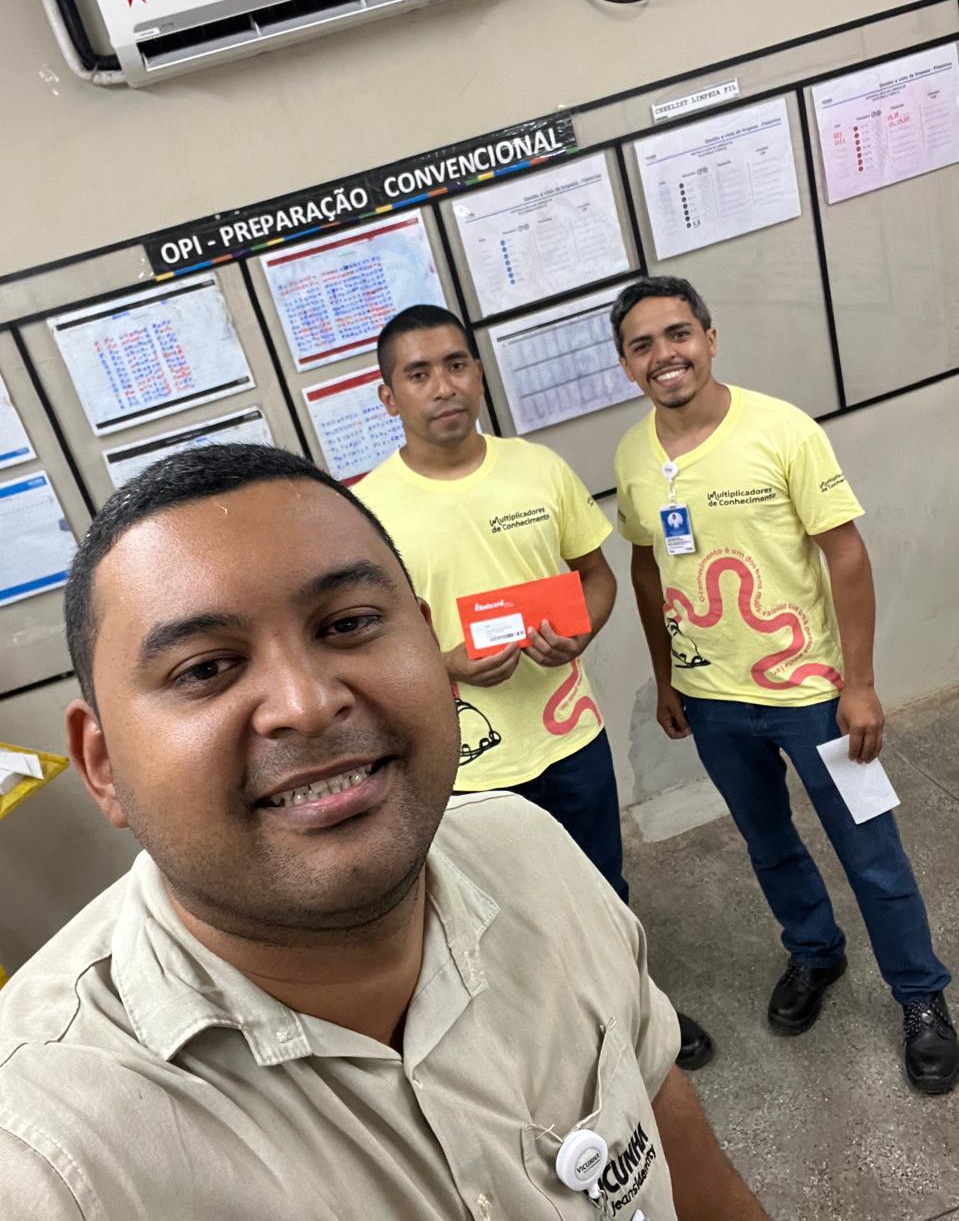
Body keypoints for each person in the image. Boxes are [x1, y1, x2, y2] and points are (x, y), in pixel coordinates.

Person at [0, 445, 768, 1221]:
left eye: (349, 624)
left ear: (431, 651)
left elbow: (678, 1148)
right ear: (103, 765)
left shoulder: (529, 849)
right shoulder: (47, 1163)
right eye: (204, 669)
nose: (306, 704)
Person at [612, 275, 957, 1095]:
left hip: (813, 695)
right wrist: (666, 678)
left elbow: (845, 555)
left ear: (709, 338)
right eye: (641, 344)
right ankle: (813, 952)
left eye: (677, 334)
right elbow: (646, 569)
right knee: (766, 842)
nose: (664, 355)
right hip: (712, 700)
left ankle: (919, 995)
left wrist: (858, 683)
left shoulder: (781, 430)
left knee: (869, 849)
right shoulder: (632, 456)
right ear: (626, 364)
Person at [358, 304, 712, 1069]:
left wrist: (579, 630)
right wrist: (443, 664)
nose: (442, 386)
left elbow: (595, 576)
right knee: (500, 918)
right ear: (388, 397)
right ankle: (559, 1045)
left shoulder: (537, 469)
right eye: (418, 374)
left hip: (568, 735)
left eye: (456, 364)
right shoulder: (366, 513)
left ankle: (636, 1013)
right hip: (462, 765)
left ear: (478, 376)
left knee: (601, 889)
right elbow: (361, 641)